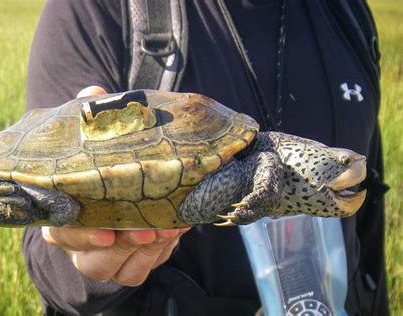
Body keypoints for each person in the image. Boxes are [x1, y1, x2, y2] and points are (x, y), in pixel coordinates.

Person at [23, 1, 388, 315]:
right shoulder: (98, 12)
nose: (348, 168)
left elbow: (368, 229)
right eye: (339, 164)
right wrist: (92, 251)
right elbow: (48, 256)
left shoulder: (347, 13)